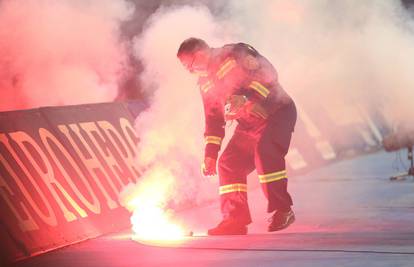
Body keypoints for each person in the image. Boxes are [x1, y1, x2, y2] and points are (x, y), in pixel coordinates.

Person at [177, 37, 297, 235]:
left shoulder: (235, 54)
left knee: (265, 154)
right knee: (228, 164)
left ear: (199, 54)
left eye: (189, 65)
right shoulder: (205, 83)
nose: (189, 71)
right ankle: (235, 220)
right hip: (249, 124)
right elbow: (214, 120)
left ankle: (283, 210)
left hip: (276, 112)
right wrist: (210, 154)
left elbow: (269, 75)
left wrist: (250, 99)